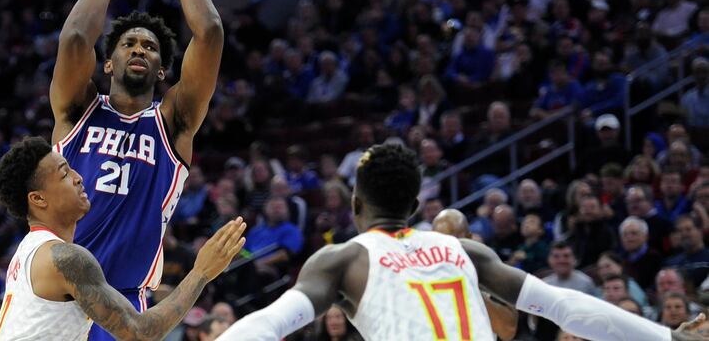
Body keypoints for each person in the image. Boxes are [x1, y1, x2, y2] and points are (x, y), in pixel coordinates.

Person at [217, 144, 704, 340]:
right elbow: (566, 305)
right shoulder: (466, 251)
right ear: (414, 206)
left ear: (355, 205)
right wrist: (668, 336)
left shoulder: (343, 259)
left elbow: (269, 324)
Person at [49, 0, 224, 340]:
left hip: (125, 303)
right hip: (57, 299)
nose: (140, 49)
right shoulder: (77, 111)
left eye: (150, 46)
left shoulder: (173, 124)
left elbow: (210, 33)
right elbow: (74, 39)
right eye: (129, 43)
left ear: (163, 72)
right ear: (108, 63)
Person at [0, 137, 245, 340]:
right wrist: (201, 272)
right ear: (37, 199)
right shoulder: (64, 258)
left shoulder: (30, 251)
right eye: (65, 174)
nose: (79, 178)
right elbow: (139, 333)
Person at [432, 208, 518, 341]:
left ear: (469, 238)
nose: (447, 249)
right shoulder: (421, 275)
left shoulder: (490, 273)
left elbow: (508, 330)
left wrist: (468, 287)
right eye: (440, 241)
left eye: (453, 240)